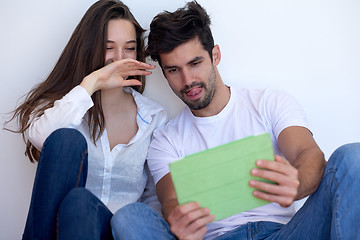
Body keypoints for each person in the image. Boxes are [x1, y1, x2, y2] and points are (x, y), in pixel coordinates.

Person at [110, 1, 360, 240]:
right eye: (173, 70)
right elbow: (171, 201)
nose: (187, 81)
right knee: (129, 216)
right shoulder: (166, 140)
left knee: (352, 156)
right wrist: (179, 222)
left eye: (195, 63)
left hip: (285, 233)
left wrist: (298, 183)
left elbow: (309, 155)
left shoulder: (268, 103)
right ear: (164, 73)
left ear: (215, 55)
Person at [6, 0, 167, 239]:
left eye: (129, 48)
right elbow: (41, 139)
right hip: (63, 230)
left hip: (117, 232)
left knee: (84, 203)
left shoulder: (154, 117)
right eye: (108, 47)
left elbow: (154, 199)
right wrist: (91, 84)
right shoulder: (67, 105)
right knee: (68, 149)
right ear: (89, 47)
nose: (120, 58)